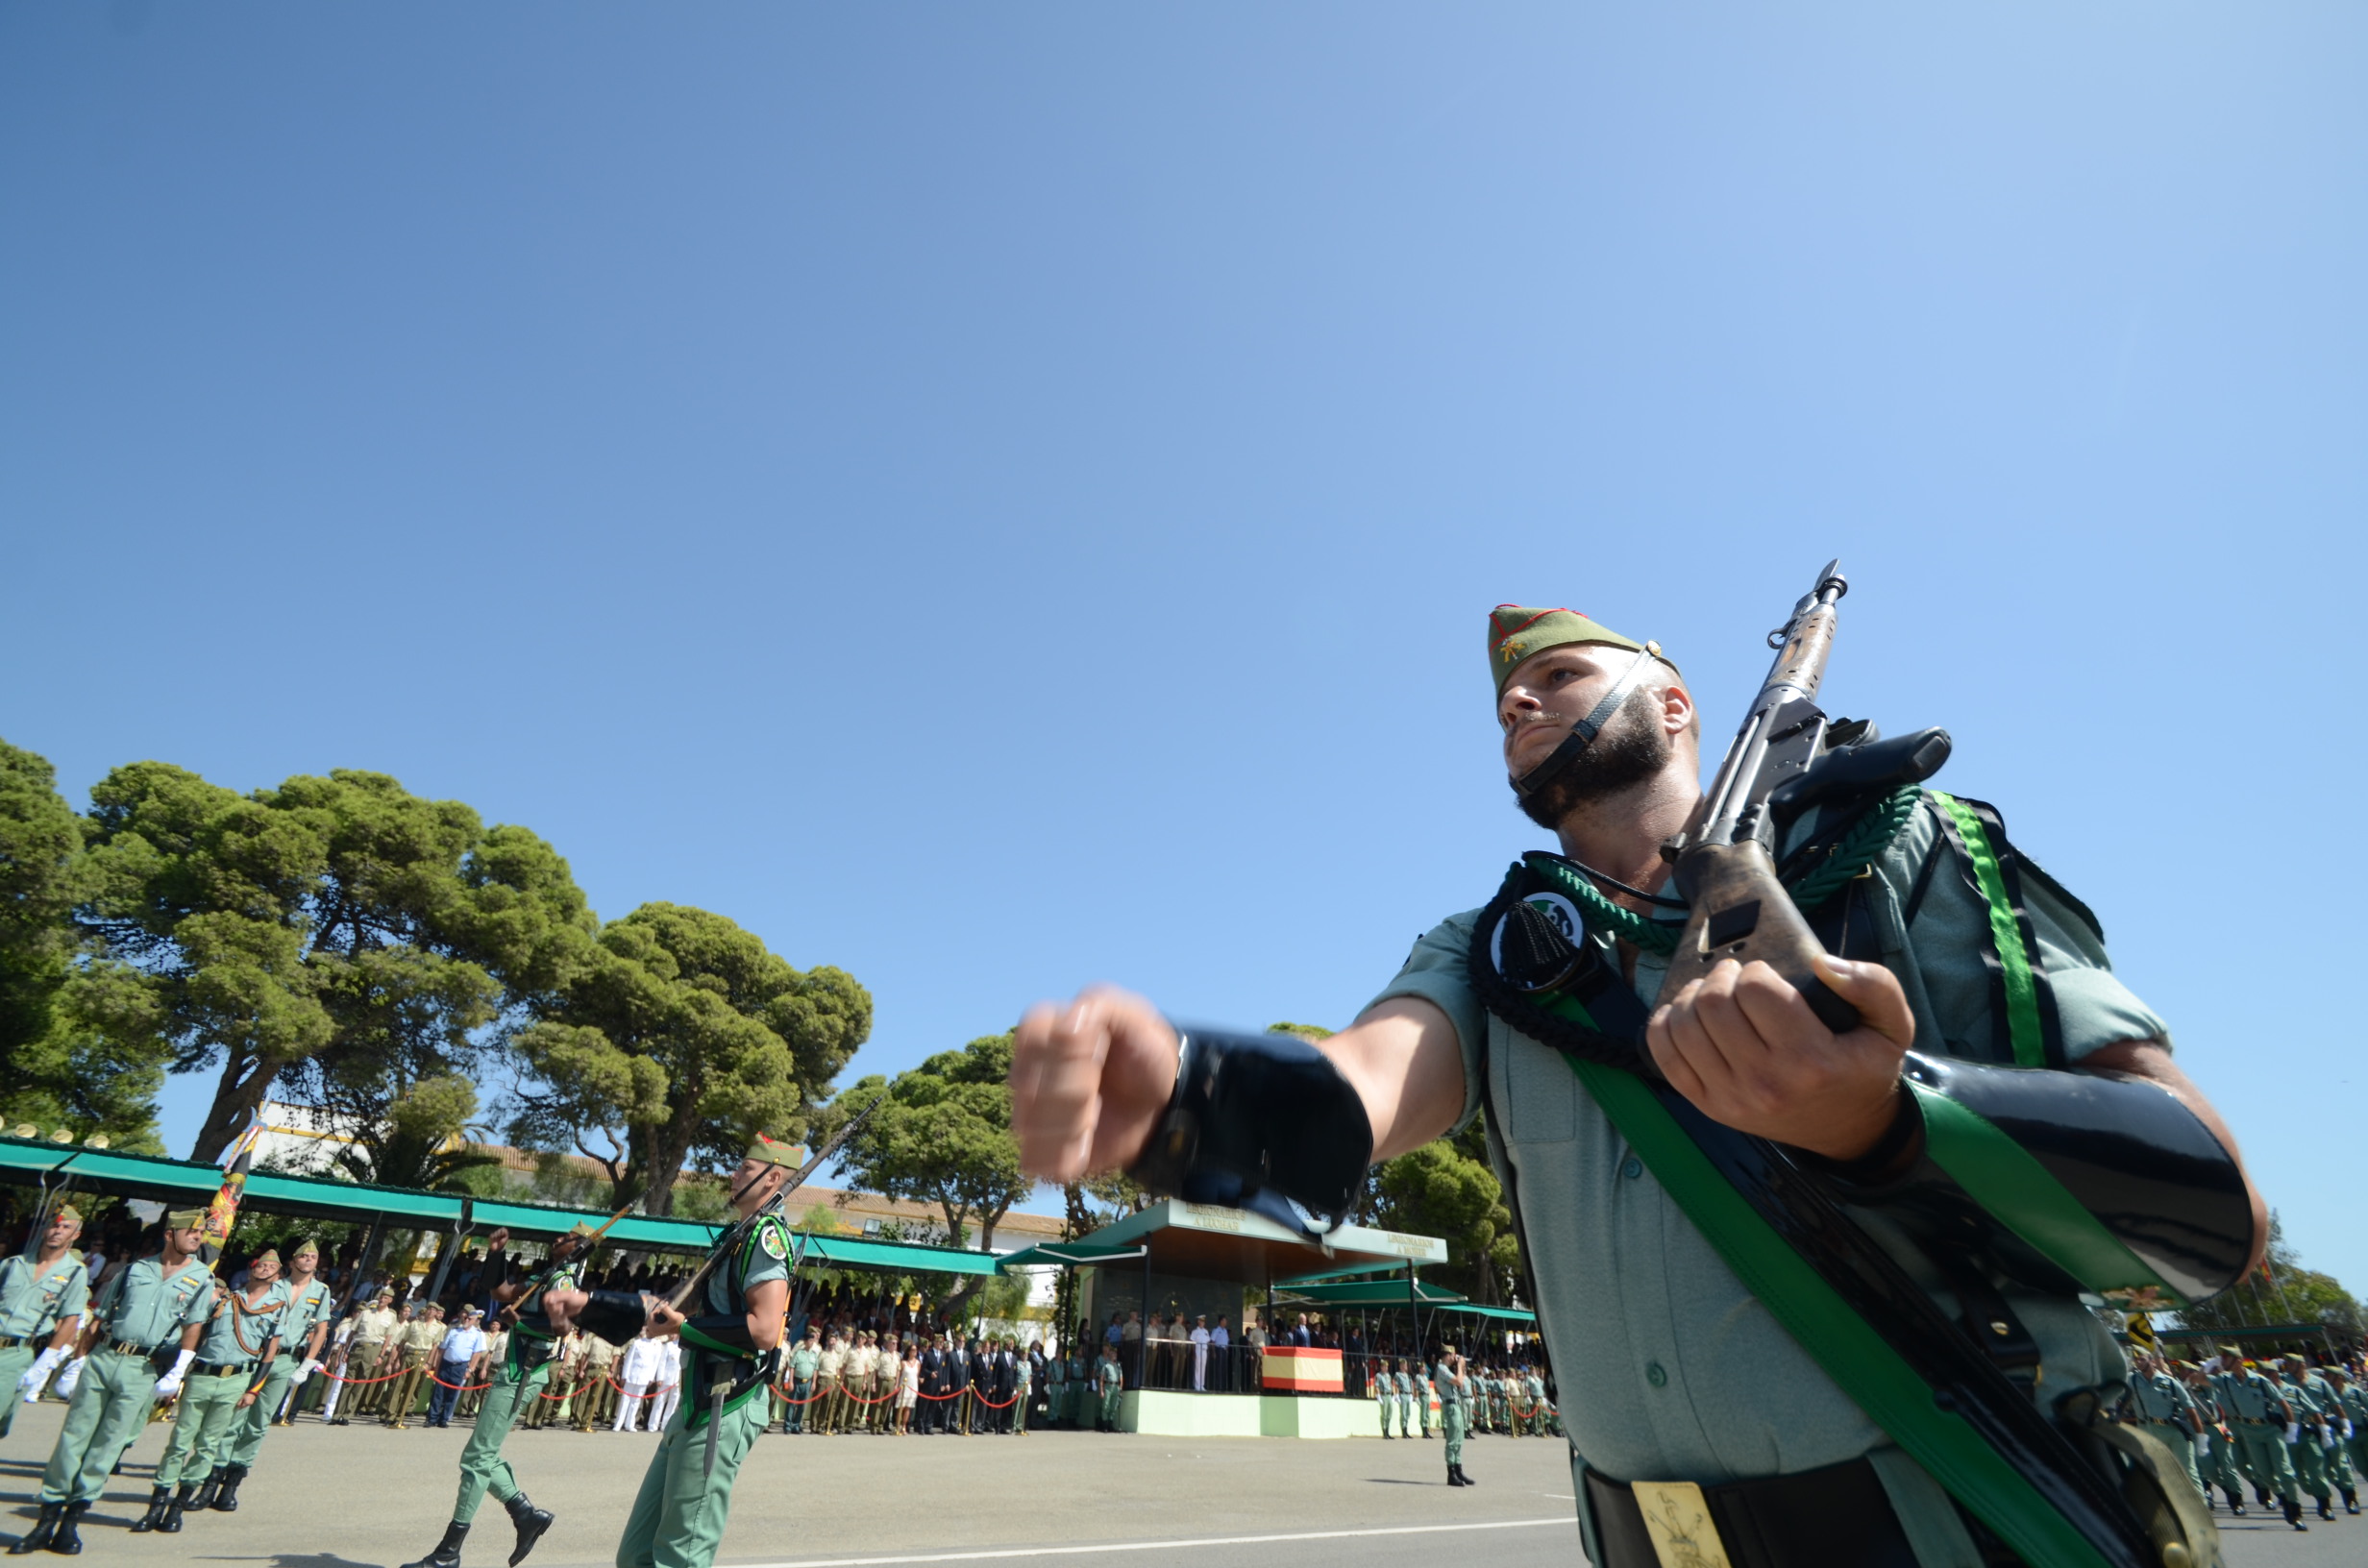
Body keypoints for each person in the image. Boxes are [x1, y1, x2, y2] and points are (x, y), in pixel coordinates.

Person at [1010, 597, 2266, 1568]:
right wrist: (1194, 1096)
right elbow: (1366, 1086)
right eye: (1505, 698)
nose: (1517, 697)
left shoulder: (1900, 850)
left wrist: (1887, 1124)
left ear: (1672, 705)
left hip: (1968, 1519)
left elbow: (2217, 1210)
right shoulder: (1499, 949)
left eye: (1558, 675)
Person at [599, 1132, 798, 1568]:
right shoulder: (737, 1235)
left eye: (745, 1168)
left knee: (680, 1555)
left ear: (772, 1179)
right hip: (695, 1398)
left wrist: (684, 1328)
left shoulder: (766, 1236)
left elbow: (765, 1330)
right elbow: (701, 1303)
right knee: (635, 1555)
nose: (734, 1174)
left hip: (726, 1399)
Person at [10, 1209, 214, 1555]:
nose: (197, 1237)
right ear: (170, 1234)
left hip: (142, 1368)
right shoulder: (135, 1269)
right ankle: (47, 1517)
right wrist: (76, 1362)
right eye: (191, 1231)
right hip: (105, 1357)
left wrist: (179, 1369)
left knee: (108, 1443)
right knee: (74, 1436)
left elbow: (193, 1326)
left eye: (200, 1233)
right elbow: (100, 1317)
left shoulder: (201, 1278)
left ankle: (71, 1521)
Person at [394, 1222, 594, 1568]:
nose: (558, 1238)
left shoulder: (564, 1281)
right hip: (516, 1369)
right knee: (482, 1455)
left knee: (476, 1459)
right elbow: (501, 1291)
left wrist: (520, 1323)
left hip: (524, 1372)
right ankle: (526, 1515)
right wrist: (497, 1253)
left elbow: (563, 1327)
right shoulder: (548, 1275)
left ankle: (448, 1553)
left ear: (580, 1248)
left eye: (568, 1238)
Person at [0, 1204, 89, 1443]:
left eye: (66, 1227)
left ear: (76, 1235)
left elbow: (71, 1318)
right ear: (44, 1230)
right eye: (53, 1225)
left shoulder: (74, 1272)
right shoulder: (13, 1264)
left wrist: (46, 1360)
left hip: (20, 1352)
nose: (57, 1231)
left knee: (4, 1417)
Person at [2214, 1350, 2306, 1529]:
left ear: (2238, 1360)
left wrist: (2291, 1429)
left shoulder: (2260, 1380)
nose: (2224, 1361)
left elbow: (2282, 1403)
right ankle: (2280, 1494)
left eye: (2227, 1358)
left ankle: (2295, 1510)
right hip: (2244, 1430)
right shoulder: (2224, 1380)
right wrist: (2210, 1366)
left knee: (2284, 1471)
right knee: (2263, 1474)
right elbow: (2197, 1380)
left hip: (2270, 1429)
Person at [333, 1288, 399, 1423]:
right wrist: (346, 1351)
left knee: (361, 1381)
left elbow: (388, 1338)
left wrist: (381, 1355)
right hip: (358, 1346)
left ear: (390, 1300)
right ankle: (337, 1414)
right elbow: (352, 1332)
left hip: (373, 1348)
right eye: (381, 1297)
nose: (382, 1300)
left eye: (386, 1298)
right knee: (348, 1381)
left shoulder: (391, 1317)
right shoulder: (366, 1313)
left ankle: (347, 1415)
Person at [428, 1306, 488, 1430]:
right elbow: (442, 1350)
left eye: (470, 1319)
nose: (466, 1320)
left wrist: (470, 1369)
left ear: (474, 1320)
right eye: (465, 1318)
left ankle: (444, 1419)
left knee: (452, 1394)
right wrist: (437, 1368)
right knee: (438, 1393)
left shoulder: (478, 1334)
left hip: (460, 1367)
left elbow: (477, 1354)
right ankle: (432, 1418)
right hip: (446, 1364)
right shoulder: (453, 1331)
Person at [1434, 1346, 1471, 1486]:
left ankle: (1458, 1469)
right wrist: (1460, 1366)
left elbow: (1460, 1386)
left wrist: (1459, 1368)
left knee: (1459, 1439)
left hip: (1456, 1405)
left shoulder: (1447, 1369)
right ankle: (1451, 1474)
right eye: (1452, 1355)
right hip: (1450, 1406)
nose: (1454, 1358)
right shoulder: (1441, 1368)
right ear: (1447, 1355)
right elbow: (1459, 1382)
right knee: (1452, 1441)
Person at [617, 1329, 668, 1432]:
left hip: (645, 1376)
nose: (651, 1333)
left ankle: (630, 1424)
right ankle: (618, 1423)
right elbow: (629, 1360)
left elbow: (655, 1363)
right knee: (625, 1400)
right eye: (649, 1331)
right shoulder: (638, 1342)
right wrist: (625, 1375)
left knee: (636, 1401)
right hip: (632, 1374)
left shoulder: (657, 1345)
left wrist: (651, 1378)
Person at [784, 1326, 819, 1433]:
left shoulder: (814, 1355)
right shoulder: (798, 1353)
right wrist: (790, 1381)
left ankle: (796, 1425)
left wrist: (814, 1382)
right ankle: (788, 1425)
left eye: (812, 1341)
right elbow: (792, 1367)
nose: (811, 1343)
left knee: (802, 1406)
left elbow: (815, 1369)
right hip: (797, 1381)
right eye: (809, 1341)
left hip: (807, 1382)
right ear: (805, 1342)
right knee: (792, 1404)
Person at [1096, 1341, 1124, 1433]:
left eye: (1115, 1354)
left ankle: (1110, 1424)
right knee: (1106, 1406)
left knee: (1114, 1406)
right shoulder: (1106, 1365)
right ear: (1110, 1355)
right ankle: (1105, 1425)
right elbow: (1101, 1379)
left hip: (1116, 1387)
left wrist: (1120, 1389)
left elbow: (1121, 1378)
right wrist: (1101, 1390)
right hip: (1108, 1386)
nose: (1114, 1355)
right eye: (1112, 1354)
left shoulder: (1118, 1366)